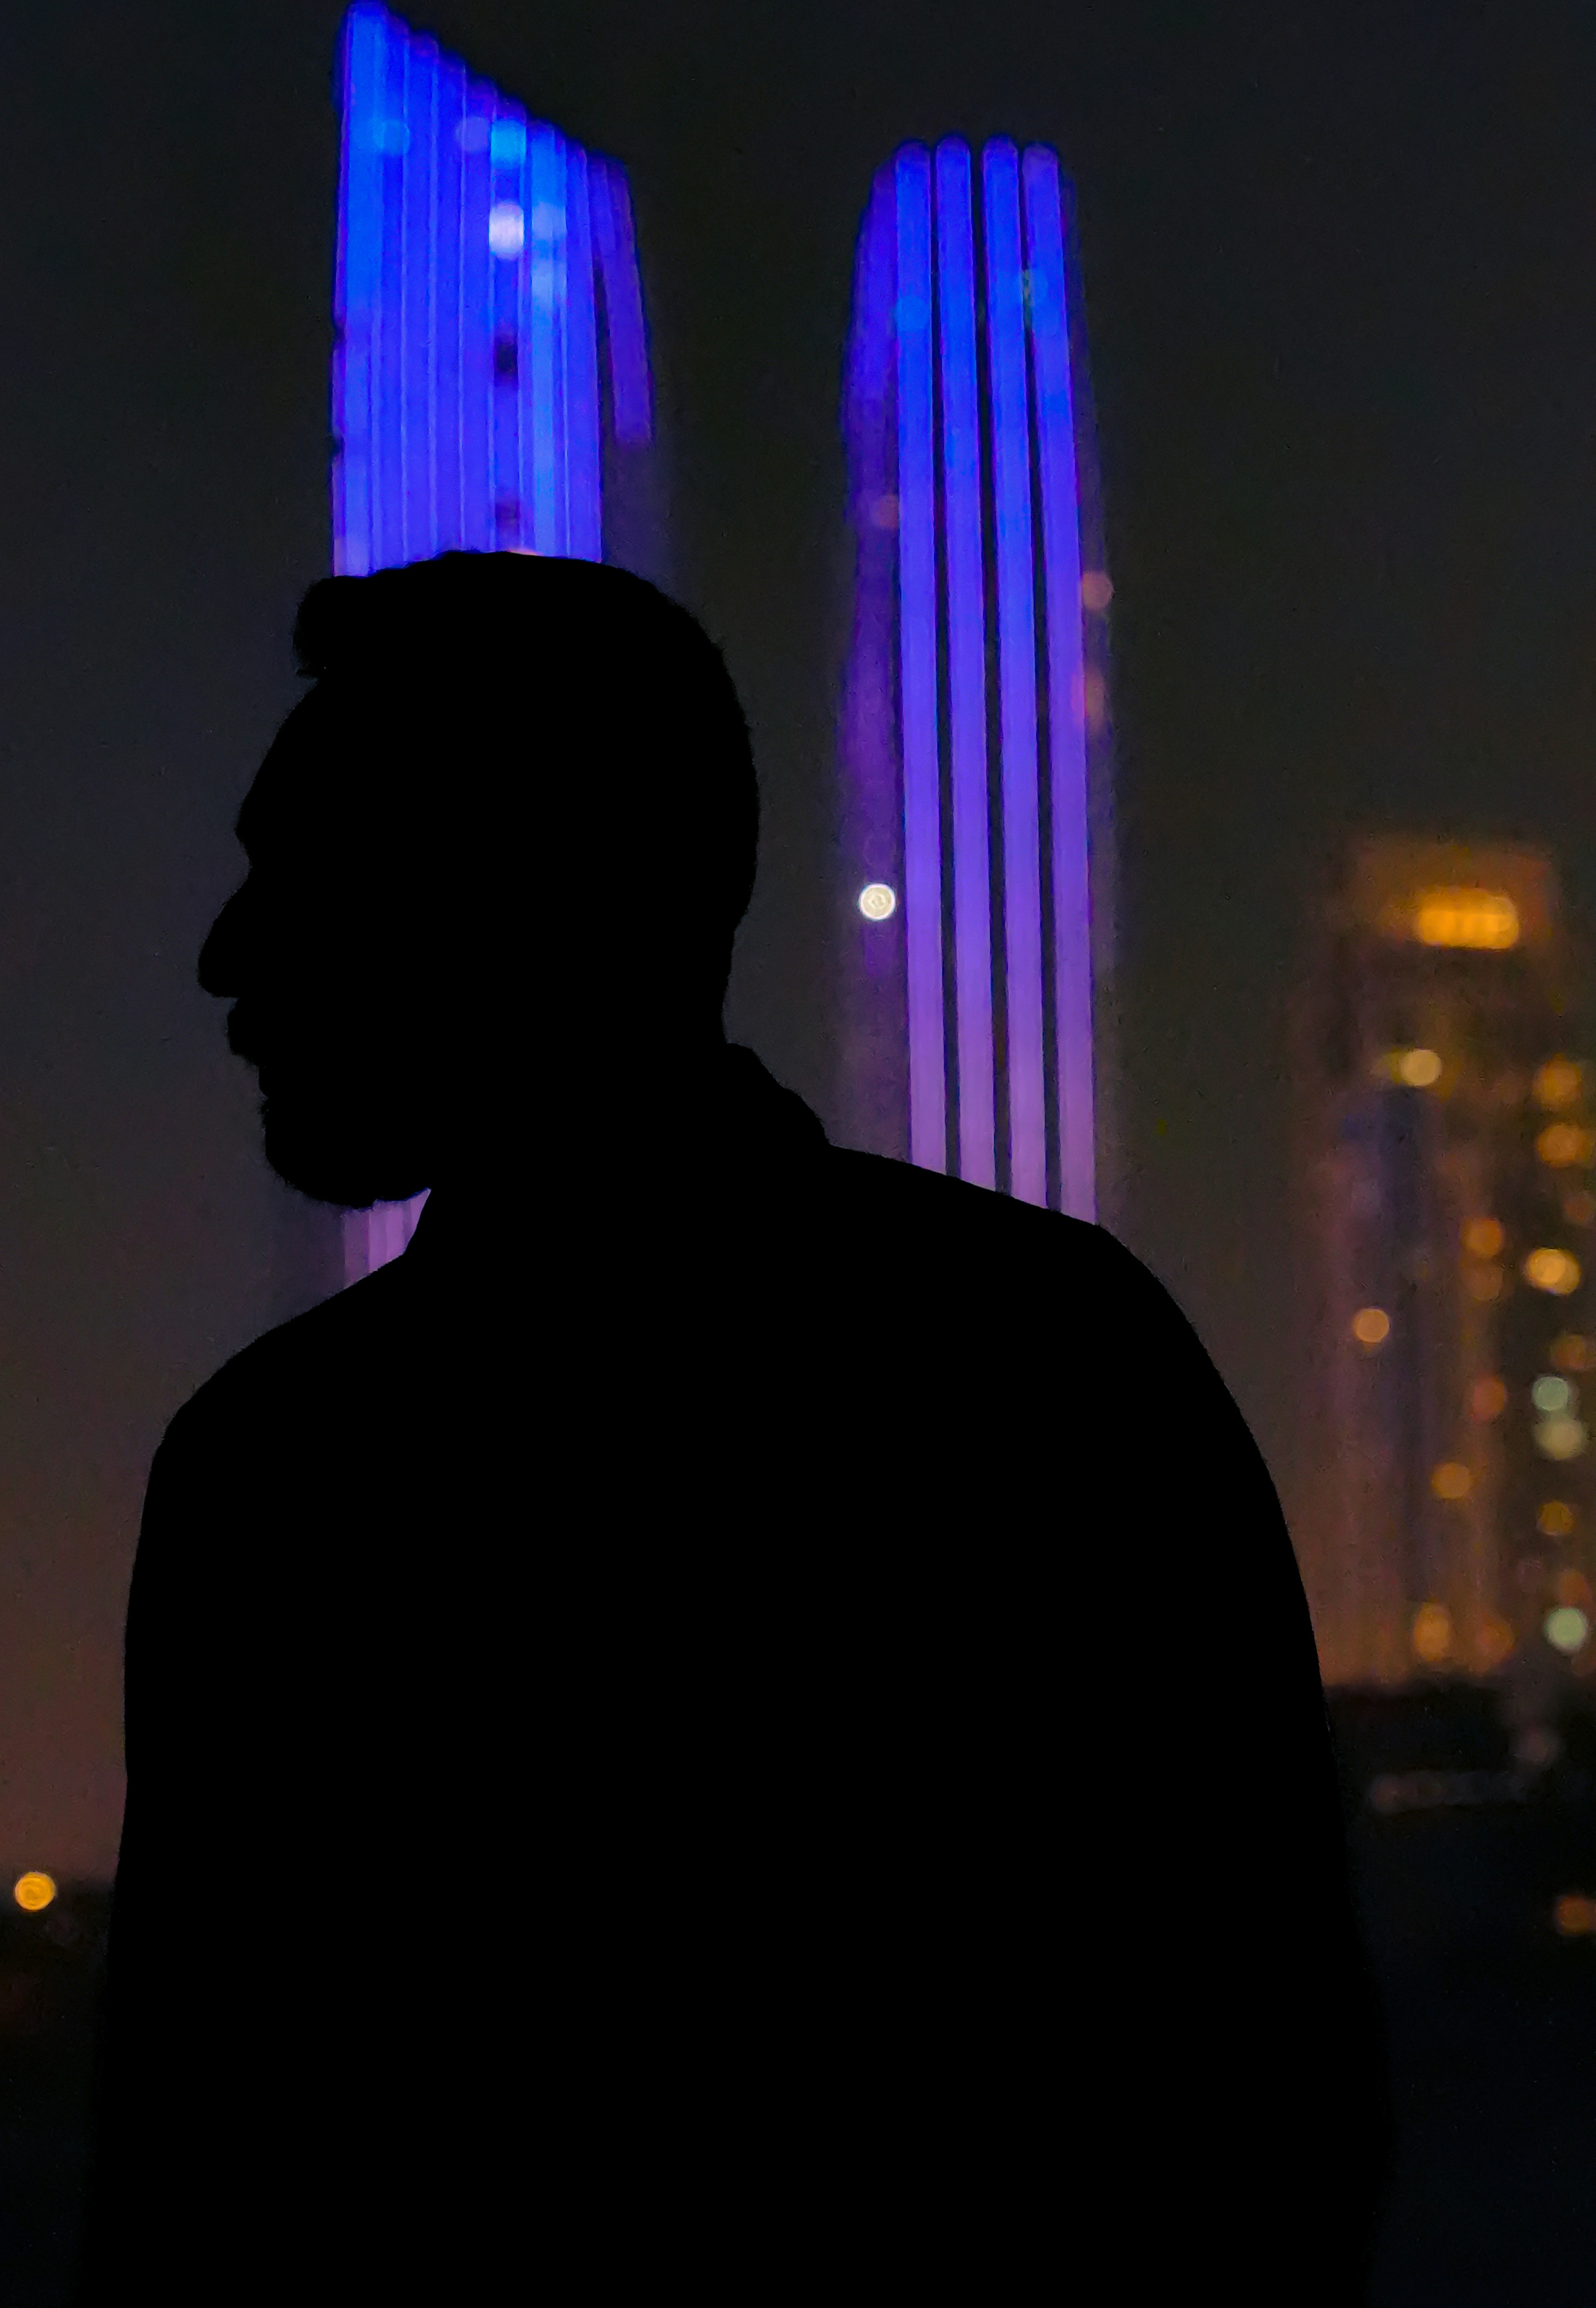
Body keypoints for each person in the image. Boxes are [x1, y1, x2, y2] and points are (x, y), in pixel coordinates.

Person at [79, 549, 1390, 2302]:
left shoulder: (282, 1474)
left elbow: (198, 2172)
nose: (227, 956)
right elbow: (1271, 2096)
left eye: (311, 872)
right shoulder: (1054, 1360)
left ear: (529, 900)